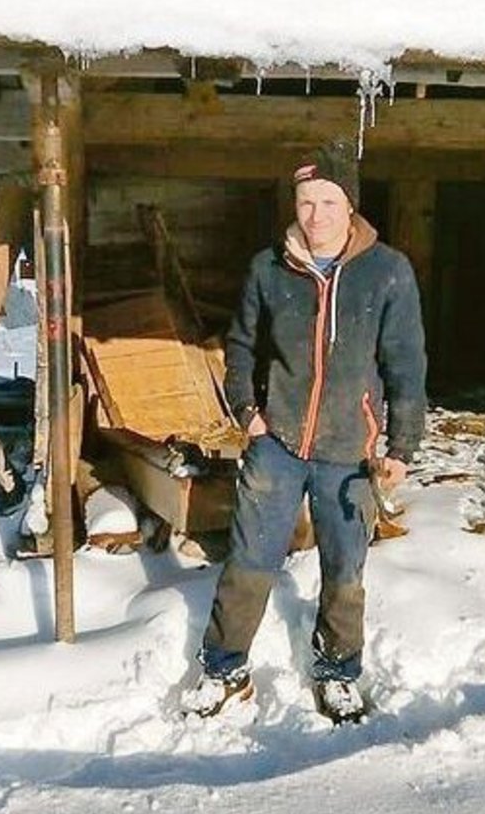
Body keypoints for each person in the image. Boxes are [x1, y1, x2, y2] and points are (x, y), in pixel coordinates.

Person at [183, 138, 427, 724]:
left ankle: (338, 671)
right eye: (305, 202)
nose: (315, 216)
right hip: (279, 444)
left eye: (328, 202)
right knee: (249, 560)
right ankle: (224, 667)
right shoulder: (269, 269)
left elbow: (406, 363)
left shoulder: (387, 272)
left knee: (345, 568)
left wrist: (401, 444)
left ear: (351, 206)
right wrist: (249, 413)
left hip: (352, 451)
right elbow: (240, 346)